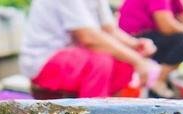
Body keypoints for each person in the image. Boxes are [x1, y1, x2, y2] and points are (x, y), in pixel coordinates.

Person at [19, 0, 159, 100]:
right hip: (44, 61)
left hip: (75, 57)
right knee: (100, 61)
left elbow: (109, 29)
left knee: (124, 63)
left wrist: (135, 45)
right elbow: (88, 37)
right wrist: (137, 60)